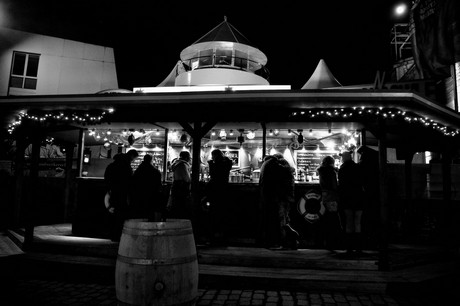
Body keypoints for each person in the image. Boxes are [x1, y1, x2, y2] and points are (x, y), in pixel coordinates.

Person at [259, 153, 298, 250]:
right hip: (278, 198)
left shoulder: (267, 164)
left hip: (268, 197)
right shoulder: (275, 165)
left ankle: (277, 241)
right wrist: (290, 169)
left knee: (277, 220)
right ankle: (280, 242)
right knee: (281, 220)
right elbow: (283, 179)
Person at [104, 149, 138, 241]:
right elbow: (129, 180)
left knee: (113, 213)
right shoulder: (126, 166)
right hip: (122, 193)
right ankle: (118, 234)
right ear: (131, 156)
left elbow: (106, 178)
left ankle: (112, 234)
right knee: (121, 213)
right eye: (134, 158)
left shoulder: (111, 166)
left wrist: (110, 189)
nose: (133, 160)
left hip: (113, 192)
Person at [338, 150, 365, 256]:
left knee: (349, 221)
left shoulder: (343, 169)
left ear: (344, 158)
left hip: (347, 198)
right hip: (358, 197)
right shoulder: (358, 167)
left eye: (342, 157)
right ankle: (358, 248)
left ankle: (349, 248)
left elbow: (341, 184)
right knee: (358, 222)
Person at [206, 149, 233, 244]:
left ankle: (213, 236)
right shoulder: (227, 163)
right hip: (224, 191)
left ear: (215, 156)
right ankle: (222, 236)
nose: (212, 157)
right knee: (223, 213)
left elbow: (212, 174)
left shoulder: (216, 164)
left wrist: (210, 164)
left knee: (213, 213)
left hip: (215, 191)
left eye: (212, 155)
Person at [317, 155, 343, 250]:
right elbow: (334, 185)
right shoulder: (331, 171)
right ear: (332, 162)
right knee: (333, 219)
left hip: (325, 195)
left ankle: (327, 241)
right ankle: (333, 242)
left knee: (328, 218)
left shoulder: (321, 170)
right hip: (332, 196)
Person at [131, 154, 163, 221]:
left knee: (140, 212)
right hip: (151, 194)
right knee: (150, 212)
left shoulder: (138, 170)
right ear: (151, 160)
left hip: (139, 194)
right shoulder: (155, 171)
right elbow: (158, 184)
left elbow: (133, 181)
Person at [167, 151, 192, 220]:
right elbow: (187, 179)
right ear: (187, 157)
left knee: (176, 205)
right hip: (181, 189)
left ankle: (175, 218)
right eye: (189, 157)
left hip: (176, 187)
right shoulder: (183, 165)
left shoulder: (177, 163)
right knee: (181, 207)